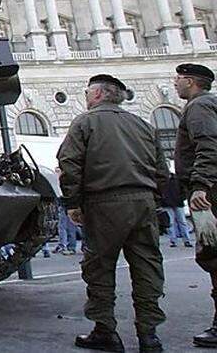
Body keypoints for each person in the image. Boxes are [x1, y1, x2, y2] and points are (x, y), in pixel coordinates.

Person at [58, 73, 169, 353]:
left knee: (99, 268)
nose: (86, 98)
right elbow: (162, 171)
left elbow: (69, 163)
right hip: (143, 202)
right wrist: (152, 199)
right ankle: (149, 335)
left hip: (104, 203)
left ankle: (105, 330)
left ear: (97, 95)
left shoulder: (85, 122)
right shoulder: (143, 125)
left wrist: (73, 203)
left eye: (87, 94)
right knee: (147, 268)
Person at [173, 63, 217, 347]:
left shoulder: (198, 107)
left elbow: (209, 145)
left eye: (178, 79)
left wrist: (200, 185)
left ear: (190, 82)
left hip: (209, 192)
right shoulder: (208, 104)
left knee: (213, 255)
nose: (175, 83)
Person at [160, 168, 193, 248]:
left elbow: (183, 189)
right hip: (169, 203)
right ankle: (174, 241)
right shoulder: (165, 180)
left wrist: (182, 197)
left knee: (182, 222)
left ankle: (186, 240)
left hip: (176, 203)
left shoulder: (175, 179)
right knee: (172, 223)